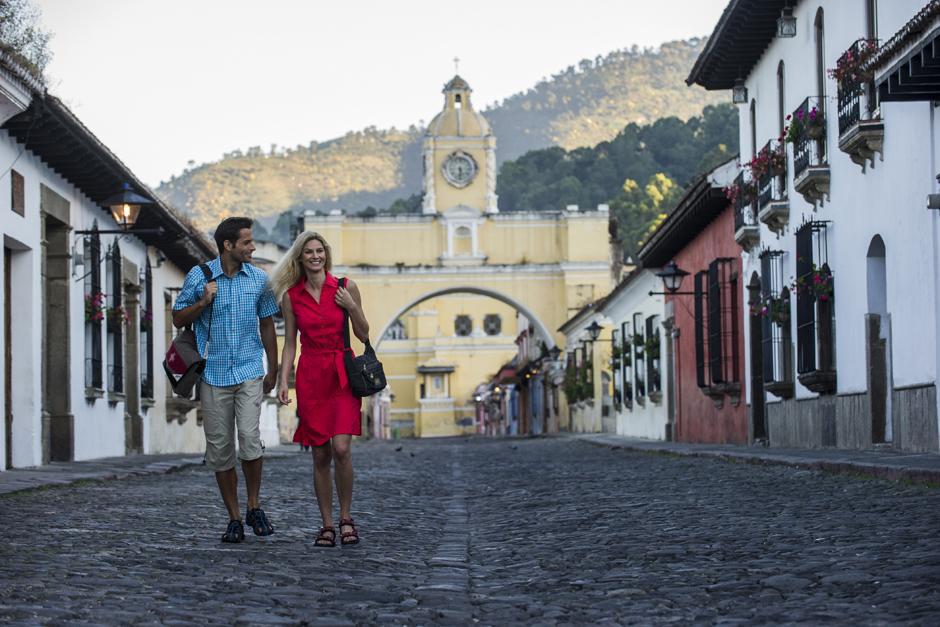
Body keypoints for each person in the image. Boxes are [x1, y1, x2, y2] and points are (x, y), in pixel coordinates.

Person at [172, 217, 280, 543]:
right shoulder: (199, 276)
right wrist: (203, 302)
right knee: (220, 450)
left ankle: (254, 505)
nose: (253, 247)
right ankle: (234, 517)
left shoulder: (260, 280)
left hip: (249, 370)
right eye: (247, 242)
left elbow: (267, 326)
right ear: (228, 245)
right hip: (213, 375)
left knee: (249, 438)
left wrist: (272, 370)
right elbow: (177, 317)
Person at [271, 231, 369, 547]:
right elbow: (289, 345)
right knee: (320, 455)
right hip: (311, 375)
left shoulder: (345, 287)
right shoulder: (291, 296)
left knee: (341, 448)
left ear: (326, 254)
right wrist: (283, 380)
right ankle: (326, 523)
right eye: (309, 252)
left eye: (320, 251)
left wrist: (351, 306)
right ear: (300, 258)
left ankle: (346, 517)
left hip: (341, 371)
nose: (316, 256)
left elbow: (364, 334)